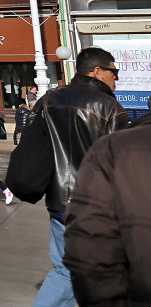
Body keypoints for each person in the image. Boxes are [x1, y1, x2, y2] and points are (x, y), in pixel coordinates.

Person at [30, 46, 128, 307]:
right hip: (94, 205)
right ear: (97, 71)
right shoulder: (110, 107)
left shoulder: (49, 99)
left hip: (57, 201)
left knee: (68, 268)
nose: (116, 77)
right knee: (79, 273)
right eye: (113, 71)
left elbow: (31, 145)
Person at [63, 114, 151, 305]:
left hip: (71, 191)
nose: (116, 81)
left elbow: (91, 256)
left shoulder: (117, 147)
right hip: (85, 189)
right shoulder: (113, 119)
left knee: (60, 268)